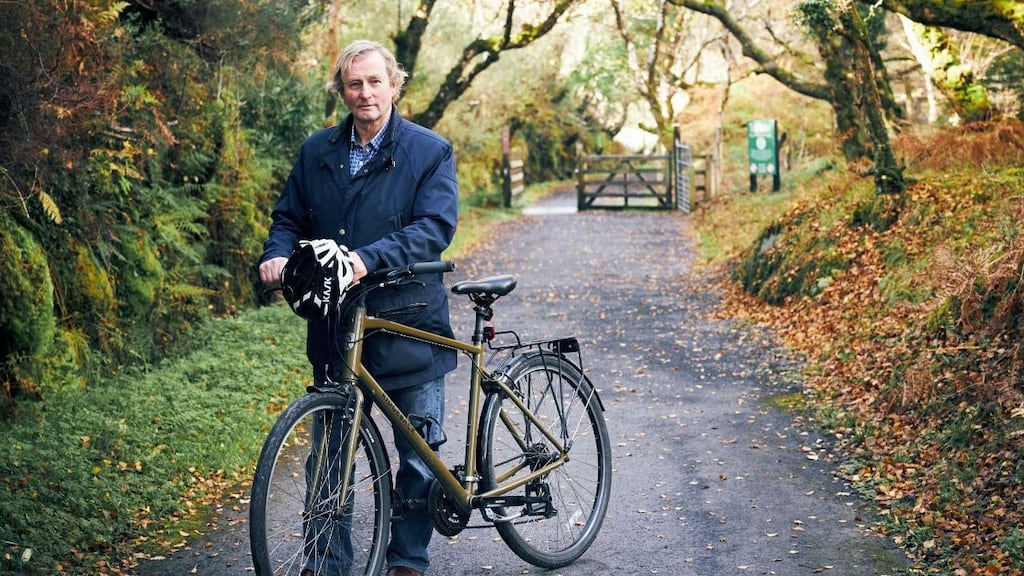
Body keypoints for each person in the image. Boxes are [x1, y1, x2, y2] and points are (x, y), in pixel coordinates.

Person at [258, 39, 459, 576]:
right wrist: (277, 256)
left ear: (395, 84)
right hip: (336, 328)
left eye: (375, 81)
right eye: (354, 83)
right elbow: (289, 219)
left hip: (409, 322)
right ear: (341, 91)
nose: (365, 93)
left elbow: (434, 228)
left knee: (417, 458)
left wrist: (367, 259)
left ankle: (407, 561)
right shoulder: (316, 151)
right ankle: (326, 565)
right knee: (329, 460)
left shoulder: (429, 150)